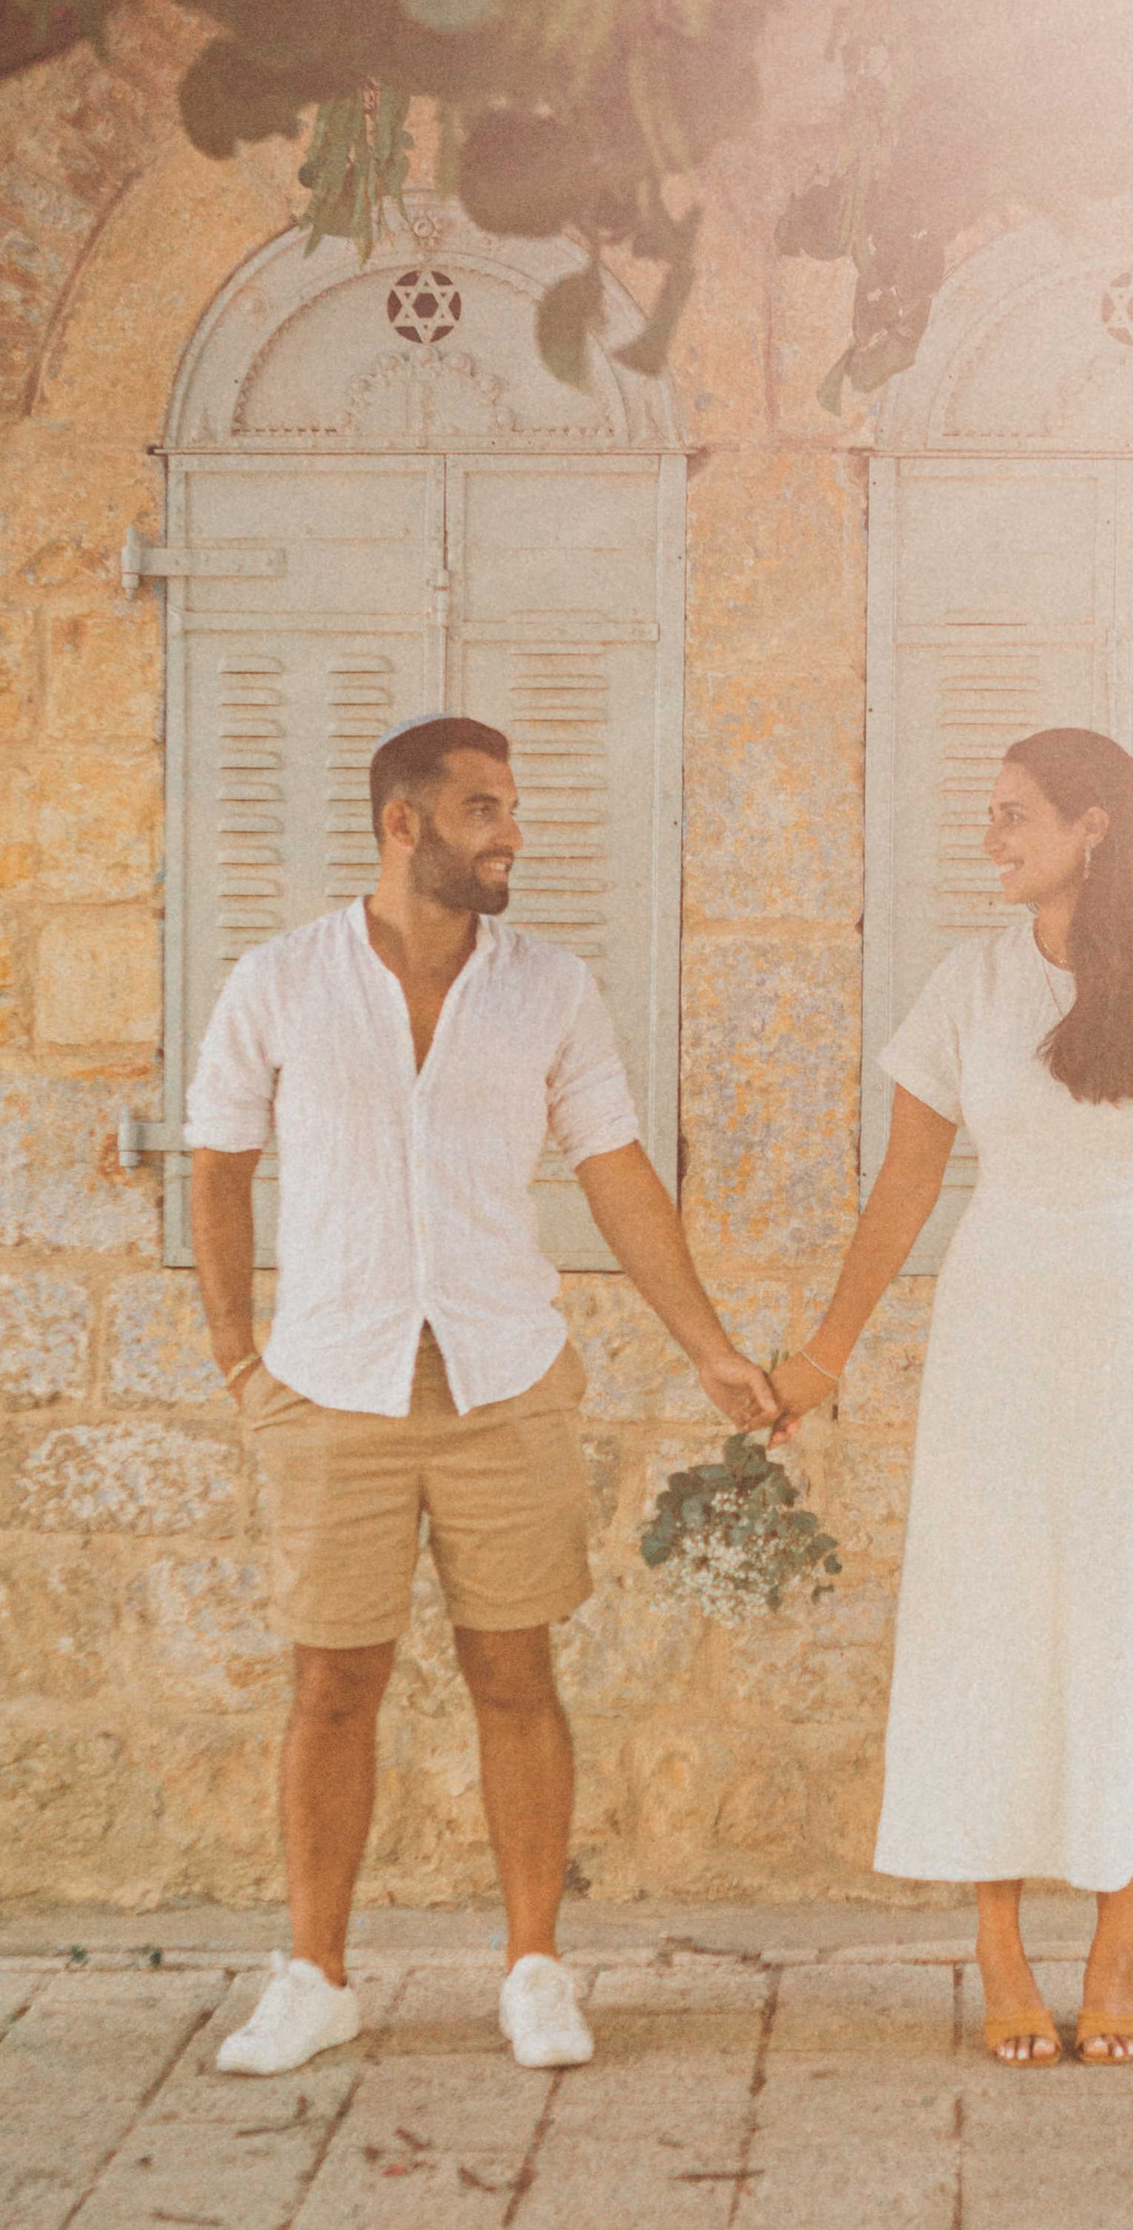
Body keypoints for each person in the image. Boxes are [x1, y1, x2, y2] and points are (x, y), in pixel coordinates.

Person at [188, 713, 777, 2077]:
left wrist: (707, 1344)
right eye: (483, 810)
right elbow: (217, 1164)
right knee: (332, 1684)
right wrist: (238, 1355)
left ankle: (534, 1970)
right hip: (333, 1381)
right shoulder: (279, 982)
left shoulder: (550, 991)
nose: (512, 834)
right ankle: (316, 1976)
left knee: (516, 1673)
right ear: (405, 825)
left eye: (510, 808)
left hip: (503, 1377)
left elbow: (617, 1171)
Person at [768, 728, 1133, 2066]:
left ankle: (1117, 1947)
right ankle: (998, 1947)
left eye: (1014, 815)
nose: (991, 838)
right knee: (989, 1623)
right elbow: (903, 1186)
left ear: (1094, 827)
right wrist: (824, 1353)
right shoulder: (971, 984)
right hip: (1000, 1335)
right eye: (991, 815)